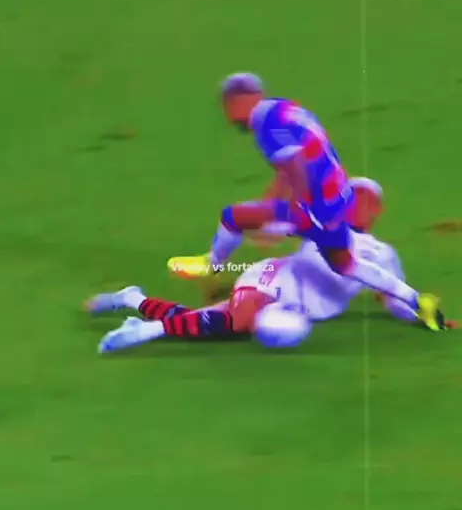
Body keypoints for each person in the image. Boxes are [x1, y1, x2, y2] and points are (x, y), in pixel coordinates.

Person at [167, 73, 445, 331]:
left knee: (234, 217)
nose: (228, 116)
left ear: (236, 102)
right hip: (338, 197)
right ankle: (419, 301)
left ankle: (213, 263)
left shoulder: (267, 127)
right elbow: (291, 164)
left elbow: (294, 167)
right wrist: (271, 206)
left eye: (227, 107)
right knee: (345, 263)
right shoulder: (283, 109)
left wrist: (290, 208)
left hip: (316, 204)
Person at [87, 179, 455, 354]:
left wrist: (427, 319)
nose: (359, 206)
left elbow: (392, 300)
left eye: (367, 201)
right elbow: (269, 225)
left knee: (214, 323)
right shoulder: (321, 224)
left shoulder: (383, 254)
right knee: (238, 321)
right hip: (272, 278)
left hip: (296, 310)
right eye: (353, 198)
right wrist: (266, 225)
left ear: (378, 210)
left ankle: (134, 300)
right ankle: (145, 332)